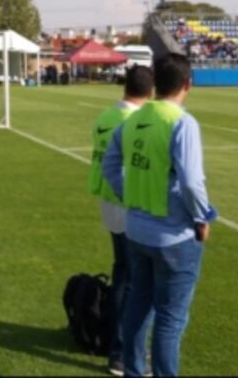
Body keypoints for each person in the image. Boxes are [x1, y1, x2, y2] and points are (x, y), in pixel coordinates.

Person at [102, 54, 217, 378]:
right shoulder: (181, 121)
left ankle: (134, 371)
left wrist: (130, 195)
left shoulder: (133, 120)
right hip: (173, 236)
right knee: (170, 317)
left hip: (137, 230)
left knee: (139, 306)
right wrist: (201, 218)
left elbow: (110, 165)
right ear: (188, 84)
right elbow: (193, 181)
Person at [89, 65, 154, 376]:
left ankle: (121, 347)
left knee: (123, 275)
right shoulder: (134, 122)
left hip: (109, 202)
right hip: (128, 204)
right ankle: (122, 351)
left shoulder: (106, 116)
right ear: (150, 91)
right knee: (133, 282)